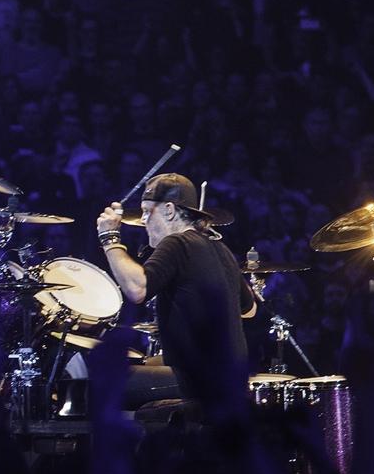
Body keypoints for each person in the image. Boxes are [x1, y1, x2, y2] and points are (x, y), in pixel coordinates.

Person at [96, 173, 256, 417]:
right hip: (231, 377)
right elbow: (250, 309)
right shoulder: (221, 249)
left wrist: (109, 238)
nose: (144, 221)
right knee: (137, 367)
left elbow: (137, 289)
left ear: (169, 210)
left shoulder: (177, 243)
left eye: (148, 212)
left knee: (102, 381)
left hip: (201, 380)